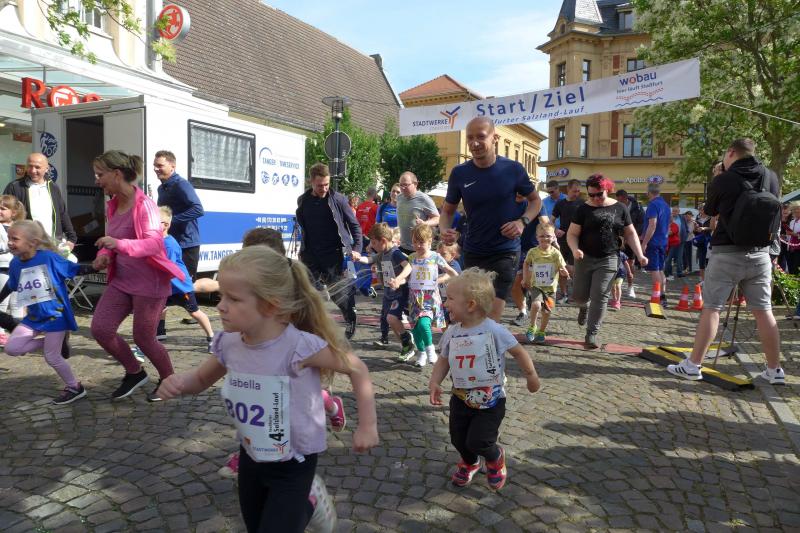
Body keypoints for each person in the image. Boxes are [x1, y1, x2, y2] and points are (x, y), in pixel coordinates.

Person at [156, 245, 379, 533]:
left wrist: (368, 426)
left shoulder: (298, 347)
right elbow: (199, 380)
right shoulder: (229, 343)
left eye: (234, 298)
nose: (220, 305)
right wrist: (177, 383)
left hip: (294, 462)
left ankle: (307, 500)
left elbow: (357, 368)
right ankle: (307, 504)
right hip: (251, 455)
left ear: (271, 306)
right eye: (221, 295)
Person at [668, 138, 786, 385]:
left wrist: (718, 178)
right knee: (764, 311)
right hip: (761, 254)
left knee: (712, 308)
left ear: (731, 152)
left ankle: (693, 365)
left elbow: (710, 210)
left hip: (727, 253)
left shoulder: (724, 179)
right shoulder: (771, 176)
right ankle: (775, 370)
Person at [429, 268, 540, 490]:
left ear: (470, 305)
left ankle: (495, 457)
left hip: (491, 401)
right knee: (458, 439)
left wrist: (531, 376)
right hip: (460, 398)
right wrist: (435, 382)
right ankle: (470, 462)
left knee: (479, 440)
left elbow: (518, 352)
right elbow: (443, 360)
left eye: (450, 299)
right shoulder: (452, 332)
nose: (445, 303)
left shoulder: (494, 330)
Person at [90, 151, 186, 402]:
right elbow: (111, 240)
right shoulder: (113, 205)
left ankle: (168, 379)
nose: (97, 180)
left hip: (149, 283)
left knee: (144, 338)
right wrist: (104, 254)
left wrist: (118, 245)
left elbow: (154, 244)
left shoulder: (145, 205)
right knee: (100, 329)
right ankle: (135, 372)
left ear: (116, 174)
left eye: (100, 175)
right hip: (122, 280)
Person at [439, 117, 543, 321]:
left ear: (494, 138)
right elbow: (447, 211)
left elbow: (535, 201)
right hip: (474, 250)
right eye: (470, 138)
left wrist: (522, 222)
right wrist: (444, 230)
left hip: (505, 251)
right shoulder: (460, 173)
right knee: (473, 312)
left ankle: (490, 341)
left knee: (490, 316)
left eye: (481, 137)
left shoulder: (513, 169)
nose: (474, 143)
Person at [0, 220, 88, 404]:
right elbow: (11, 285)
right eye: (9, 238)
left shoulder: (48, 258)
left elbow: (74, 269)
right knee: (12, 348)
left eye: (15, 239)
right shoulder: (15, 263)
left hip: (56, 315)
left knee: (52, 357)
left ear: (32, 242)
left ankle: (75, 387)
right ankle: (55, 342)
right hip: (34, 317)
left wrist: (96, 265)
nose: (10, 242)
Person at [567, 174, 648, 348]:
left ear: (607, 189)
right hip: (584, 258)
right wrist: (575, 249)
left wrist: (640, 255)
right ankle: (584, 306)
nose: (596, 198)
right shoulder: (582, 209)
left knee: (600, 296)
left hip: (609, 258)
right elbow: (572, 234)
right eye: (591, 195)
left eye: (599, 194)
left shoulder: (620, 208)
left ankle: (592, 333)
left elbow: (630, 233)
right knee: (579, 296)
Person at [295, 163, 362, 339]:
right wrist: (302, 250)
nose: (324, 188)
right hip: (310, 254)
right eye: (320, 185)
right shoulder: (303, 201)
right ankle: (311, 329)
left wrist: (356, 249)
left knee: (337, 294)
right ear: (311, 182)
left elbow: (354, 225)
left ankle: (350, 316)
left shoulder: (338, 200)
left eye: (327, 184)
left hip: (332, 253)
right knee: (308, 292)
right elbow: (304, 227)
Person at [393, 224, 459, 367]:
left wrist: (458, 281)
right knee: (416, 329)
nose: (417, 245)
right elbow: (407, 273)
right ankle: (421, 353)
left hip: (429, 298)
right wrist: (398, 280)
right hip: (414, 299)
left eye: (421, 242)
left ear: (430, 242)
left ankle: (430, 350)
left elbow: (450, 271)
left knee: (424, 324)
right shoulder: (412, 258)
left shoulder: (435, 257)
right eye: (415, 242)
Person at [158, 206, 215, 351]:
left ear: (166, 225)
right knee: (158, 308)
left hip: (180, 287)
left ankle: (212, 338)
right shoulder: (157, 241)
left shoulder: (169, 244)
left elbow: (168, 267)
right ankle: (157, 333)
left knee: (194, 312)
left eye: (153, 223)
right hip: (167, 287)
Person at [355, 222, 414, 359]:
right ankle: (406, 346)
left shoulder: (395, 253)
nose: (372, 246)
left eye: (374, 243)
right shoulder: (382, 253)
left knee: (392, 318)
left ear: (383, 241)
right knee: (390, 320)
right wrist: (358, 258)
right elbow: (369, 259)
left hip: (399, 292)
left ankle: (407, 340)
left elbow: (408, 267)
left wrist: (398, 279)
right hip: (388, 293)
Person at [4, 152, 77, 249]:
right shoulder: (15, 187)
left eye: (37, 167)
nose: (33, 170)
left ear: (47, 168)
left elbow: (62, 213)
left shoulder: (53, 187)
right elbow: (4, 212)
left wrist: (71, 238)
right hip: (27, 246)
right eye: (30, 166)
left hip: (52, 245)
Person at [154, 150, 204, 279]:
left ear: (172, 166)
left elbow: (198, 209)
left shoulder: (181, 184)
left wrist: (172, 220)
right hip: (169, 243)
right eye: (155, 165)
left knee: (185, 285)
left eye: (160, 166)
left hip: (186, 245)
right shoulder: (161, 188)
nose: (156, 169)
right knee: (169, 284)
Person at [522, 223, 568, 343]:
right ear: (537, 237)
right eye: (542, 236)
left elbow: (562, 266)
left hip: (551, 288)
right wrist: (525, 278)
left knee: (547, 312)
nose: (545, 238)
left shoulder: (555, 253)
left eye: (548, 236)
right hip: (536, 286)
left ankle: (541, 331)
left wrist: (564, 272)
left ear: (553, 237)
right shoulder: (533, 252)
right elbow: (526, 263)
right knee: (536, 305)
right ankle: (532, 327)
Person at [510, 195, 548, 326]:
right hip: (513, 248)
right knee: (515, 283)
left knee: (531, 282)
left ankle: (535, 299)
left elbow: (545, 222)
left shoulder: (535, 203)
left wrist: (551, 238)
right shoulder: (507, 202)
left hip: (534, 249)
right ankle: (523, 312)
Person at [640, 183, 671, 306]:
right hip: (663, 241)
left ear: (649, 193)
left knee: (654, 270)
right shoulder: (665, 205)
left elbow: (652, 225)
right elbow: (668, 223)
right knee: (660, 269)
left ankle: (657, 298)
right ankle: (663, 296)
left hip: (653, 242)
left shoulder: (653, 205)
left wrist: (644, 243)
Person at [0, 195, 26, 344]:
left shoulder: (19, 227)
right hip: (2, 268)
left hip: (18, 268)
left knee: (18, 302)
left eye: (3, 208)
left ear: (14, 212)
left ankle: (18, 332)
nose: (0, 211)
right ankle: (0, 332)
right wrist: (10, 246)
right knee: (2, 301)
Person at [552, 179, 583, 301]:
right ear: (568, 189)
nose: (576, 193)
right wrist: (555, 230)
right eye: (574, 191)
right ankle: (564, 293)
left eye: (578, 191)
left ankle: (577, 293)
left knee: (574, 269)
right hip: (562, 241)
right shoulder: (560, 204)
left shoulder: (582, 203)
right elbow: (550, 221)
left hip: (577, 241)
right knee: (561, 268)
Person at [396, 171, 439, 255]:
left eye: (406, 185)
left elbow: (438, 218)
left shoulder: (424, 199)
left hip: (418, 247)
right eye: (400, 185)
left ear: (415, 184)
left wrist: (425, 223)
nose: (402, 188)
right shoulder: (399, 198)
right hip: (402, 245)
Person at [614, 190, 644, 297]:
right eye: (617, 200)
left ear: (625, 198)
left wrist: (633, 236)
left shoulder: (638, 208)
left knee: (630, 263)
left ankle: (630, 287)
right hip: (619, 238)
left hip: (631, 238)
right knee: (615, 260)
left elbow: (641, 223)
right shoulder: (616, 207)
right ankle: (615, 285)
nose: (618, 202)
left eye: (620, 200)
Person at [437, 241, 463, 325]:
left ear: (452, 255)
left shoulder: (454, 265)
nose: (440, 257)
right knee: (443, 321)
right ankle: (446, 333)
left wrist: (432, 281)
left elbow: (446, 276)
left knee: (456, 319)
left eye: (443, 254)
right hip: (442, 298)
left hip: (455, 299)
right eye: (438, 254)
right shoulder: (437, 266)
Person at [608, 237, 633, 311]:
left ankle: (618, 301)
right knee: (613, 287)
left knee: (618, 286)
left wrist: (629, 272)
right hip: (612, 273)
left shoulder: (622, 254)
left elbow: (626, 264)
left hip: (620, 273)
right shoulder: (609, 254)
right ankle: (614, 299)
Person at [693, 204, 713, 281]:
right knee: (701, 259)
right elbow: (695, 232)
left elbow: (712, 228)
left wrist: (703, 228)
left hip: (708, 241)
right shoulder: (697, 218)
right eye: (700, 209)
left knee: (708, 260)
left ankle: (709, 279)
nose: (701, 211)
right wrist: (696, 229)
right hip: (700, 241)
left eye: (702, 209)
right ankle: (702, 279)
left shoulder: (711, 218)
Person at [664, 214, 682, 281]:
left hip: (674, 244)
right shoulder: (665, 225)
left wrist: (664, 232)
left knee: (668, 260)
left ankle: (669, 274)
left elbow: (670, 233)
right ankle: (669, 274)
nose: (669, 218)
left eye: (670, 217)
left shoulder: (674, 225)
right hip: (666, 244)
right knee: (667, 260)